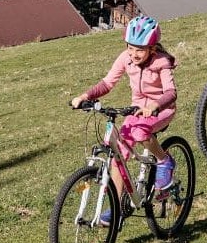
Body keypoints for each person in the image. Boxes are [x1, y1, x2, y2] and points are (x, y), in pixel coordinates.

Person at [70, 15, 177, 212]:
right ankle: (116, 207)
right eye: (130, 47)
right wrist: (84, 96)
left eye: (139, 50)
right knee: (118, 154)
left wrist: (155, 105)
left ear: (152, 48)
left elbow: (171, 93)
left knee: (140, 133)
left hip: (162, 109)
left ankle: (164, 161)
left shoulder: (162, 62)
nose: (133, 54)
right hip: (137, 110)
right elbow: (107, 83)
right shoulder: (125, 58)